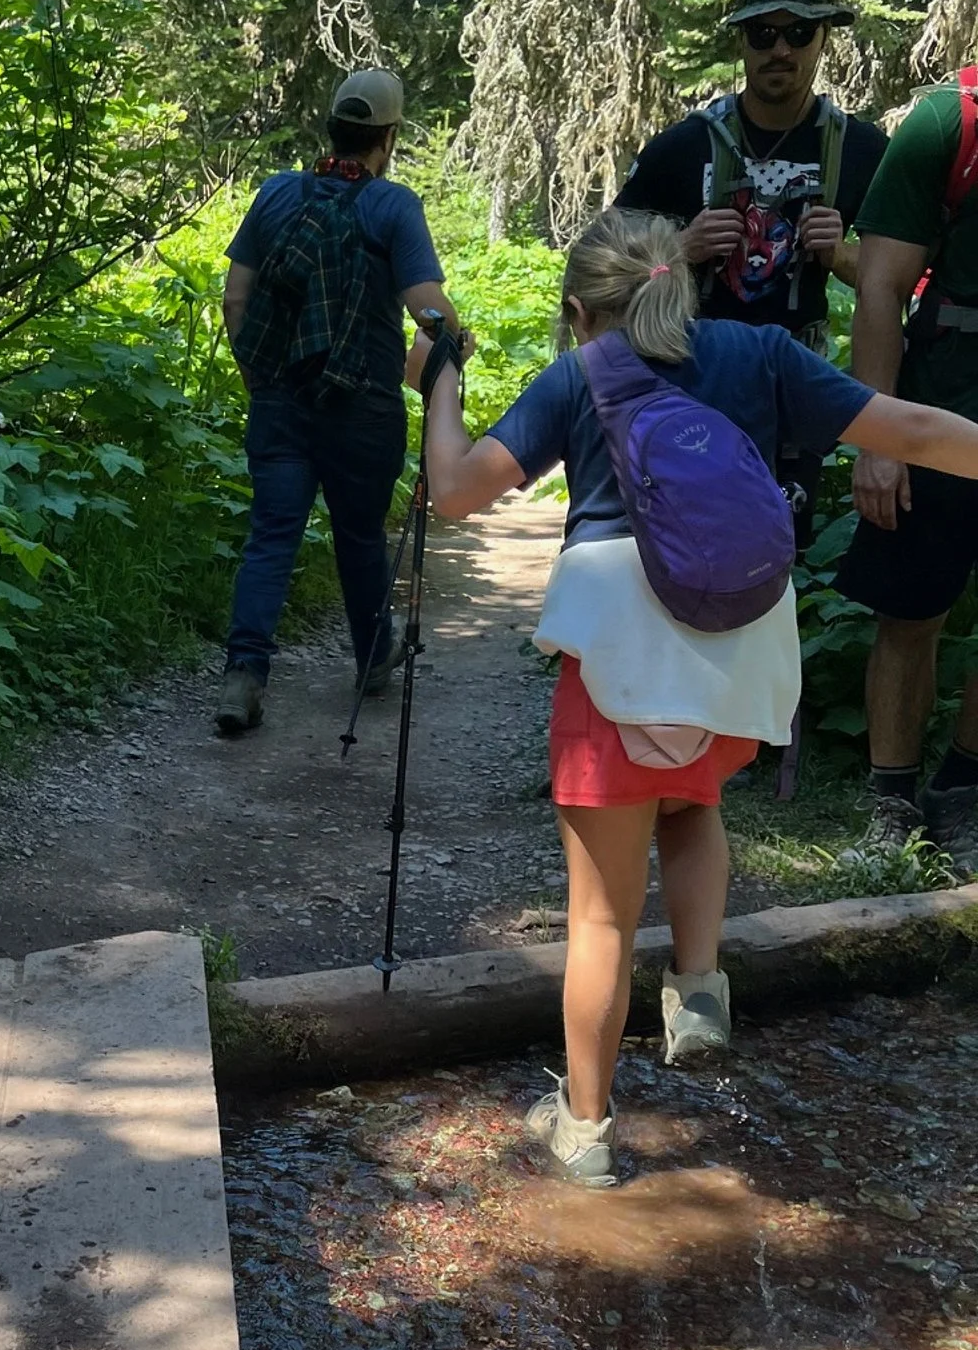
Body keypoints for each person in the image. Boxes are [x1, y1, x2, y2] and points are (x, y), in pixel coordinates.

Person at [409, 207, 978, 1188]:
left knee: (598, 921)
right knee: (694, 801)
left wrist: (440, 384)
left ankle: (585, 1131)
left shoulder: (578, 373)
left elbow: (455, 492)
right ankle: (700, 988)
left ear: (579, 312)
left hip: (618, 663)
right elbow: (918, 429)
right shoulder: (760, 355)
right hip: (735, 658)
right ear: (687, 281)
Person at [214, 68, 462, 738]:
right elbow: (427, 310)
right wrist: (454, 345)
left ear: (332, 127)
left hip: (280, 402)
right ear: (388, 136)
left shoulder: (274, 196)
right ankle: (372, 656)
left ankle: (244, 674)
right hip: (363, 408)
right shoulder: (393, 207)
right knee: (358, 536)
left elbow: (236, 297)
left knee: (272, 536)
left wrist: (258, 377)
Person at [616, 0, 885, 544]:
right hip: (685, 386)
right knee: (673, 554)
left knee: (773, 560)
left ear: (823, 38)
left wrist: (840, 257)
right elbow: (598, 269)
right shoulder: (682, 148)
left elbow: (906, 284)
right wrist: (678, 248)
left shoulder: (862, 151)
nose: (779, 50)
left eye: (798, 33)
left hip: (794, 400)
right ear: (742, 41)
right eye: (763, 34)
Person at [839, 71, 978, 866]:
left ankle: (962, 789)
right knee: (911, 613)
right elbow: (882, 286)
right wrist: (879, 437)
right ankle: (890, 800)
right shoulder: (945, 123)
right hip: (939, 408)